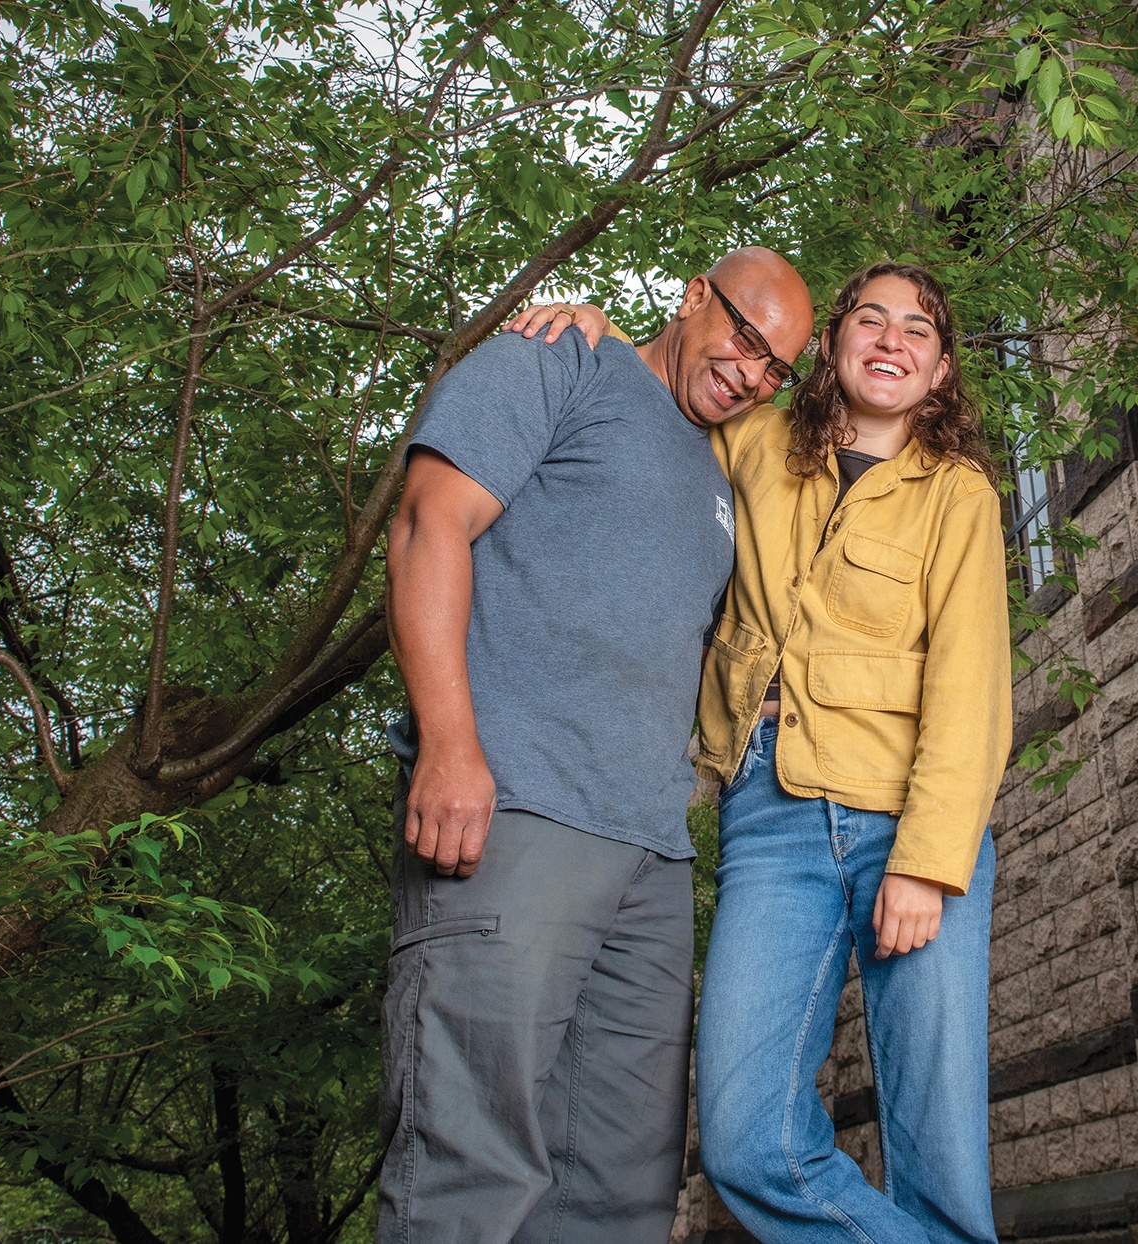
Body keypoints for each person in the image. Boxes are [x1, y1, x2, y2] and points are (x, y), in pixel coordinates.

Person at [511, 263, 1011, 1243]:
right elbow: (676, 383)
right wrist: (600, 330)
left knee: (939, 1156)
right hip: (769, 817)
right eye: (870, 317)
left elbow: (972, 687)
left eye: (917, 331)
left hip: (906, 826)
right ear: (830, 344)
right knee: (745, 1139)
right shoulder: (759, 441)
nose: (891, 339)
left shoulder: (956, 495)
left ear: (940, 370)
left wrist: (924, 857)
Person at [381, 246, 813, 1244]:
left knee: (619, 1192)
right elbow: (425, 524)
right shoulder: (555, 362)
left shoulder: (722, 467)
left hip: (652, 856)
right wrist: (449, 744)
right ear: (693, 294)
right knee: (469, 1163)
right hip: (515, 814)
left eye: (774, 366)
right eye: (744, 336)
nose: (749, 372)